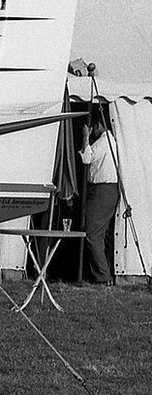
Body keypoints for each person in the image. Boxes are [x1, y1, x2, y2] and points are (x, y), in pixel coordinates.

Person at [79, 111, 121, 285]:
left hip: (101, 190)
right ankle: (104, 273)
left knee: (92, 234)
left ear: (97, 126)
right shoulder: (114, 142)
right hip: (111, 190)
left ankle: (103, 277)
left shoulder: (103, 142)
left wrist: (85, 137)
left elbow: (87, 158)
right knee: (102, 234)